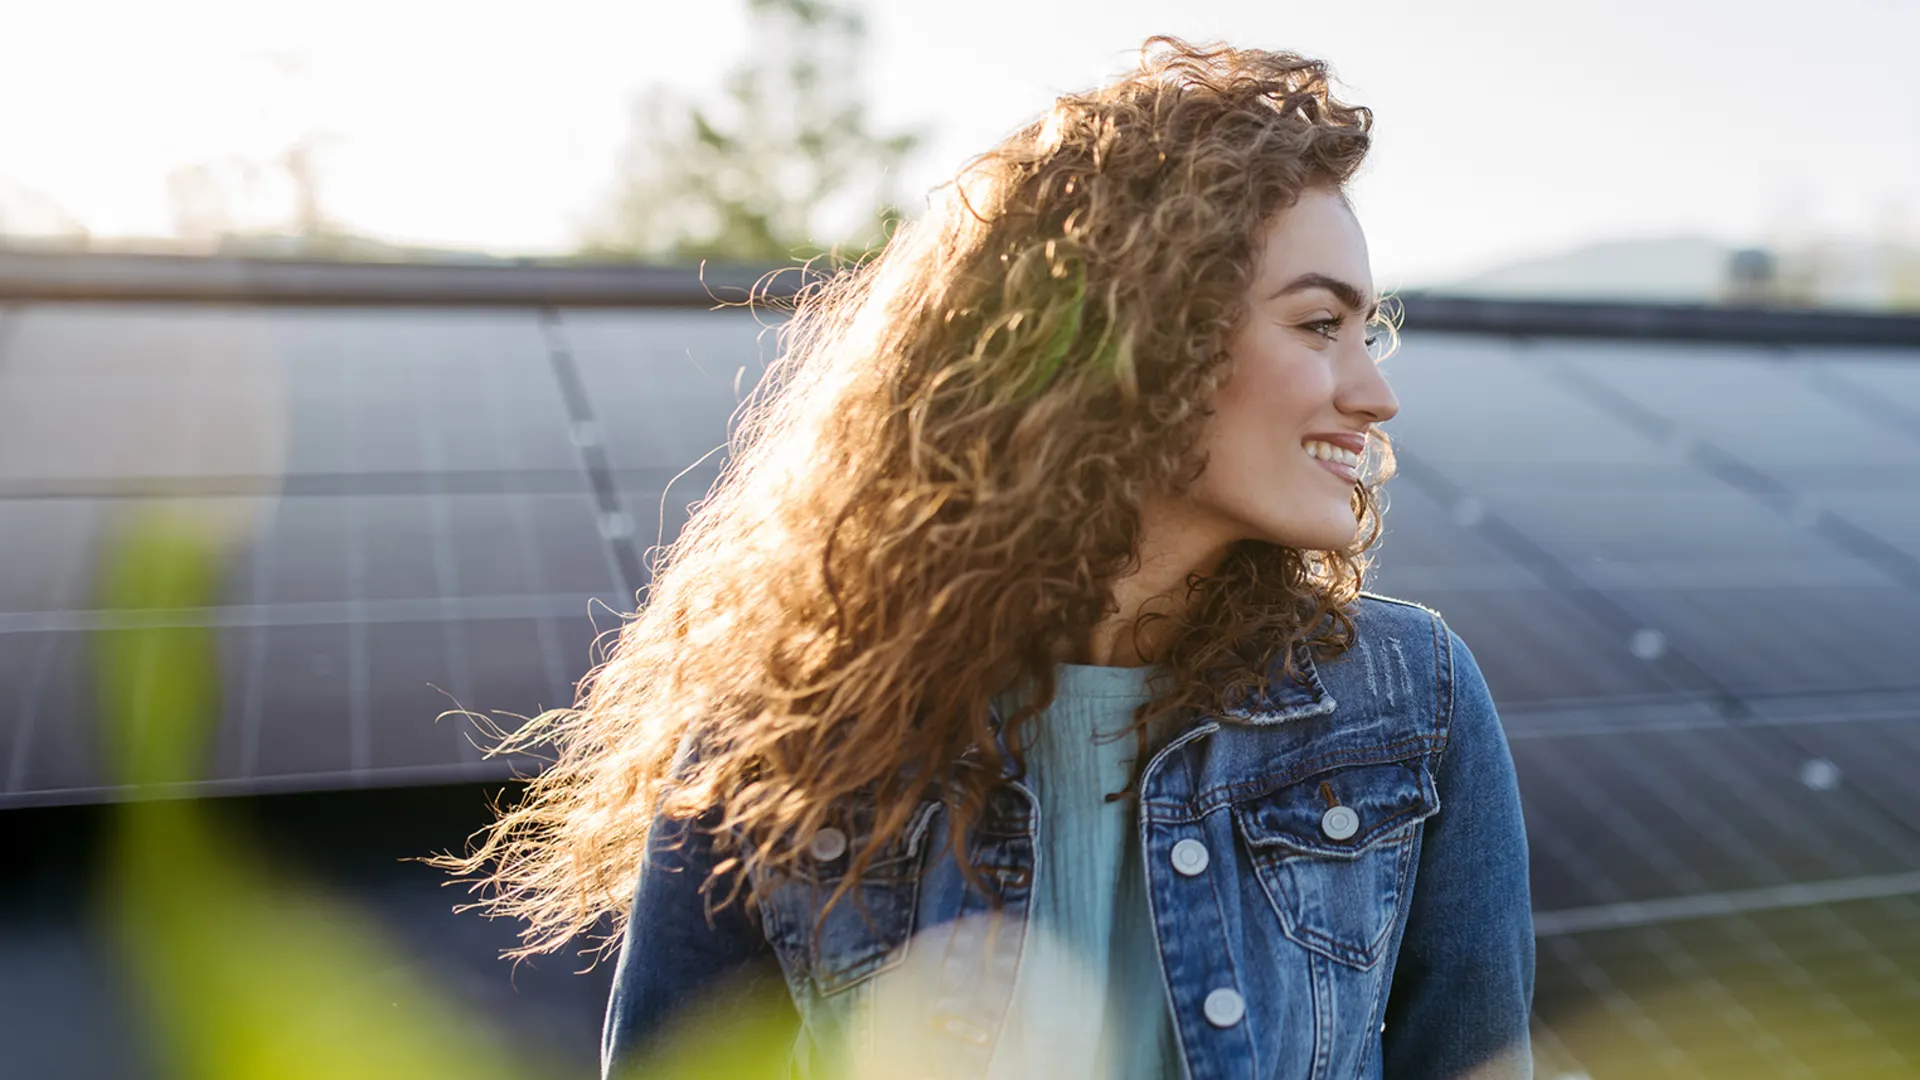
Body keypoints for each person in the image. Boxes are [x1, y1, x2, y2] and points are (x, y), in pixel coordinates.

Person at [447, 35, 1534, 1080]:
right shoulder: (785, 742)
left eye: (1366, 331)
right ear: (1145, 337)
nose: (1375, 394)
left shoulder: (1410, 702)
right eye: (1316, 326)